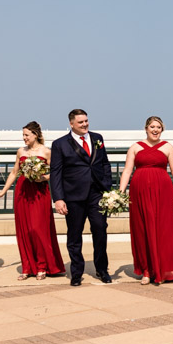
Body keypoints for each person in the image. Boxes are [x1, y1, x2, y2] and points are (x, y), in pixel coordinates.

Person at [119, 116, 173, 285]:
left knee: (163, 229)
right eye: (152, 127)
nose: (155, 130)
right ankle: (147, 271)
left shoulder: (168, 147)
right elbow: (127, 171)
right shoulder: (135, 147)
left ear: (162, 130)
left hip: (163, 192)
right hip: (138, 192)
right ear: (146, 128)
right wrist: (120, 193)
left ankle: (163, 270)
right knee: (142, 229)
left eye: (159, 127)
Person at [50, 109, 113, 286]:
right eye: (80, 122)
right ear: (71, 124)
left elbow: (105, 163)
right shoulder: (60, 144)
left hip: (97, 194)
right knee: (74, 235)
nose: (85, 124)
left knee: (100, 230)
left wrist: (107, 187)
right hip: (73, 196)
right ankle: (76, 272)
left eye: (86, 121)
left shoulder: (97, 138)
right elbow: (56, 173)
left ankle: (102, 269)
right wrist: (58, 198)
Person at [0, 121, 64, 280]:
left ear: (36, 134)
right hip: (22, 191)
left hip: (40, 192)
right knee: (24, 230)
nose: (24, 138)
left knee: (38, 229)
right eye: (23, 135)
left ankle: (42, 266)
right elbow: (14, 172)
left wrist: (42, 178)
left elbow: (55, 173)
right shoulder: (21, 151)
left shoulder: (47, 151)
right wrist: (3, 192)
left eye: (26, 135)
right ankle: (27, 267)